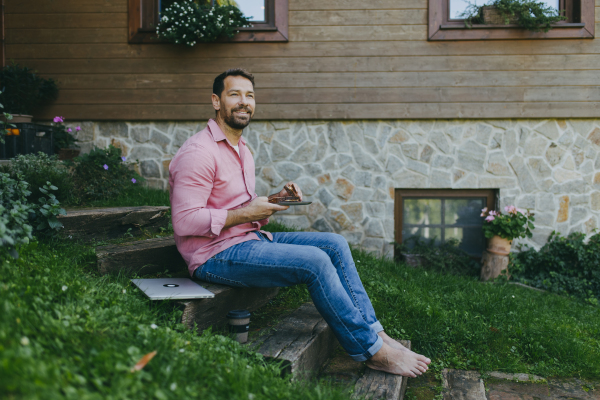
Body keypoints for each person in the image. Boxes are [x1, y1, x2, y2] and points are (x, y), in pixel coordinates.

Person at [169, 68, 431, 377]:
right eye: (234, 94)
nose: (244, 102)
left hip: (247, 239)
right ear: (216, 101)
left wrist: (276, 200)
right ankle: (371, 351)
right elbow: (185, 221)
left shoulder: (242, 151)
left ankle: (374, 331)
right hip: (213, 255)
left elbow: (243, 208)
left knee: (334, 243)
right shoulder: (199, 152)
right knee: (315, 262)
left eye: (250, 95)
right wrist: (245, 215)